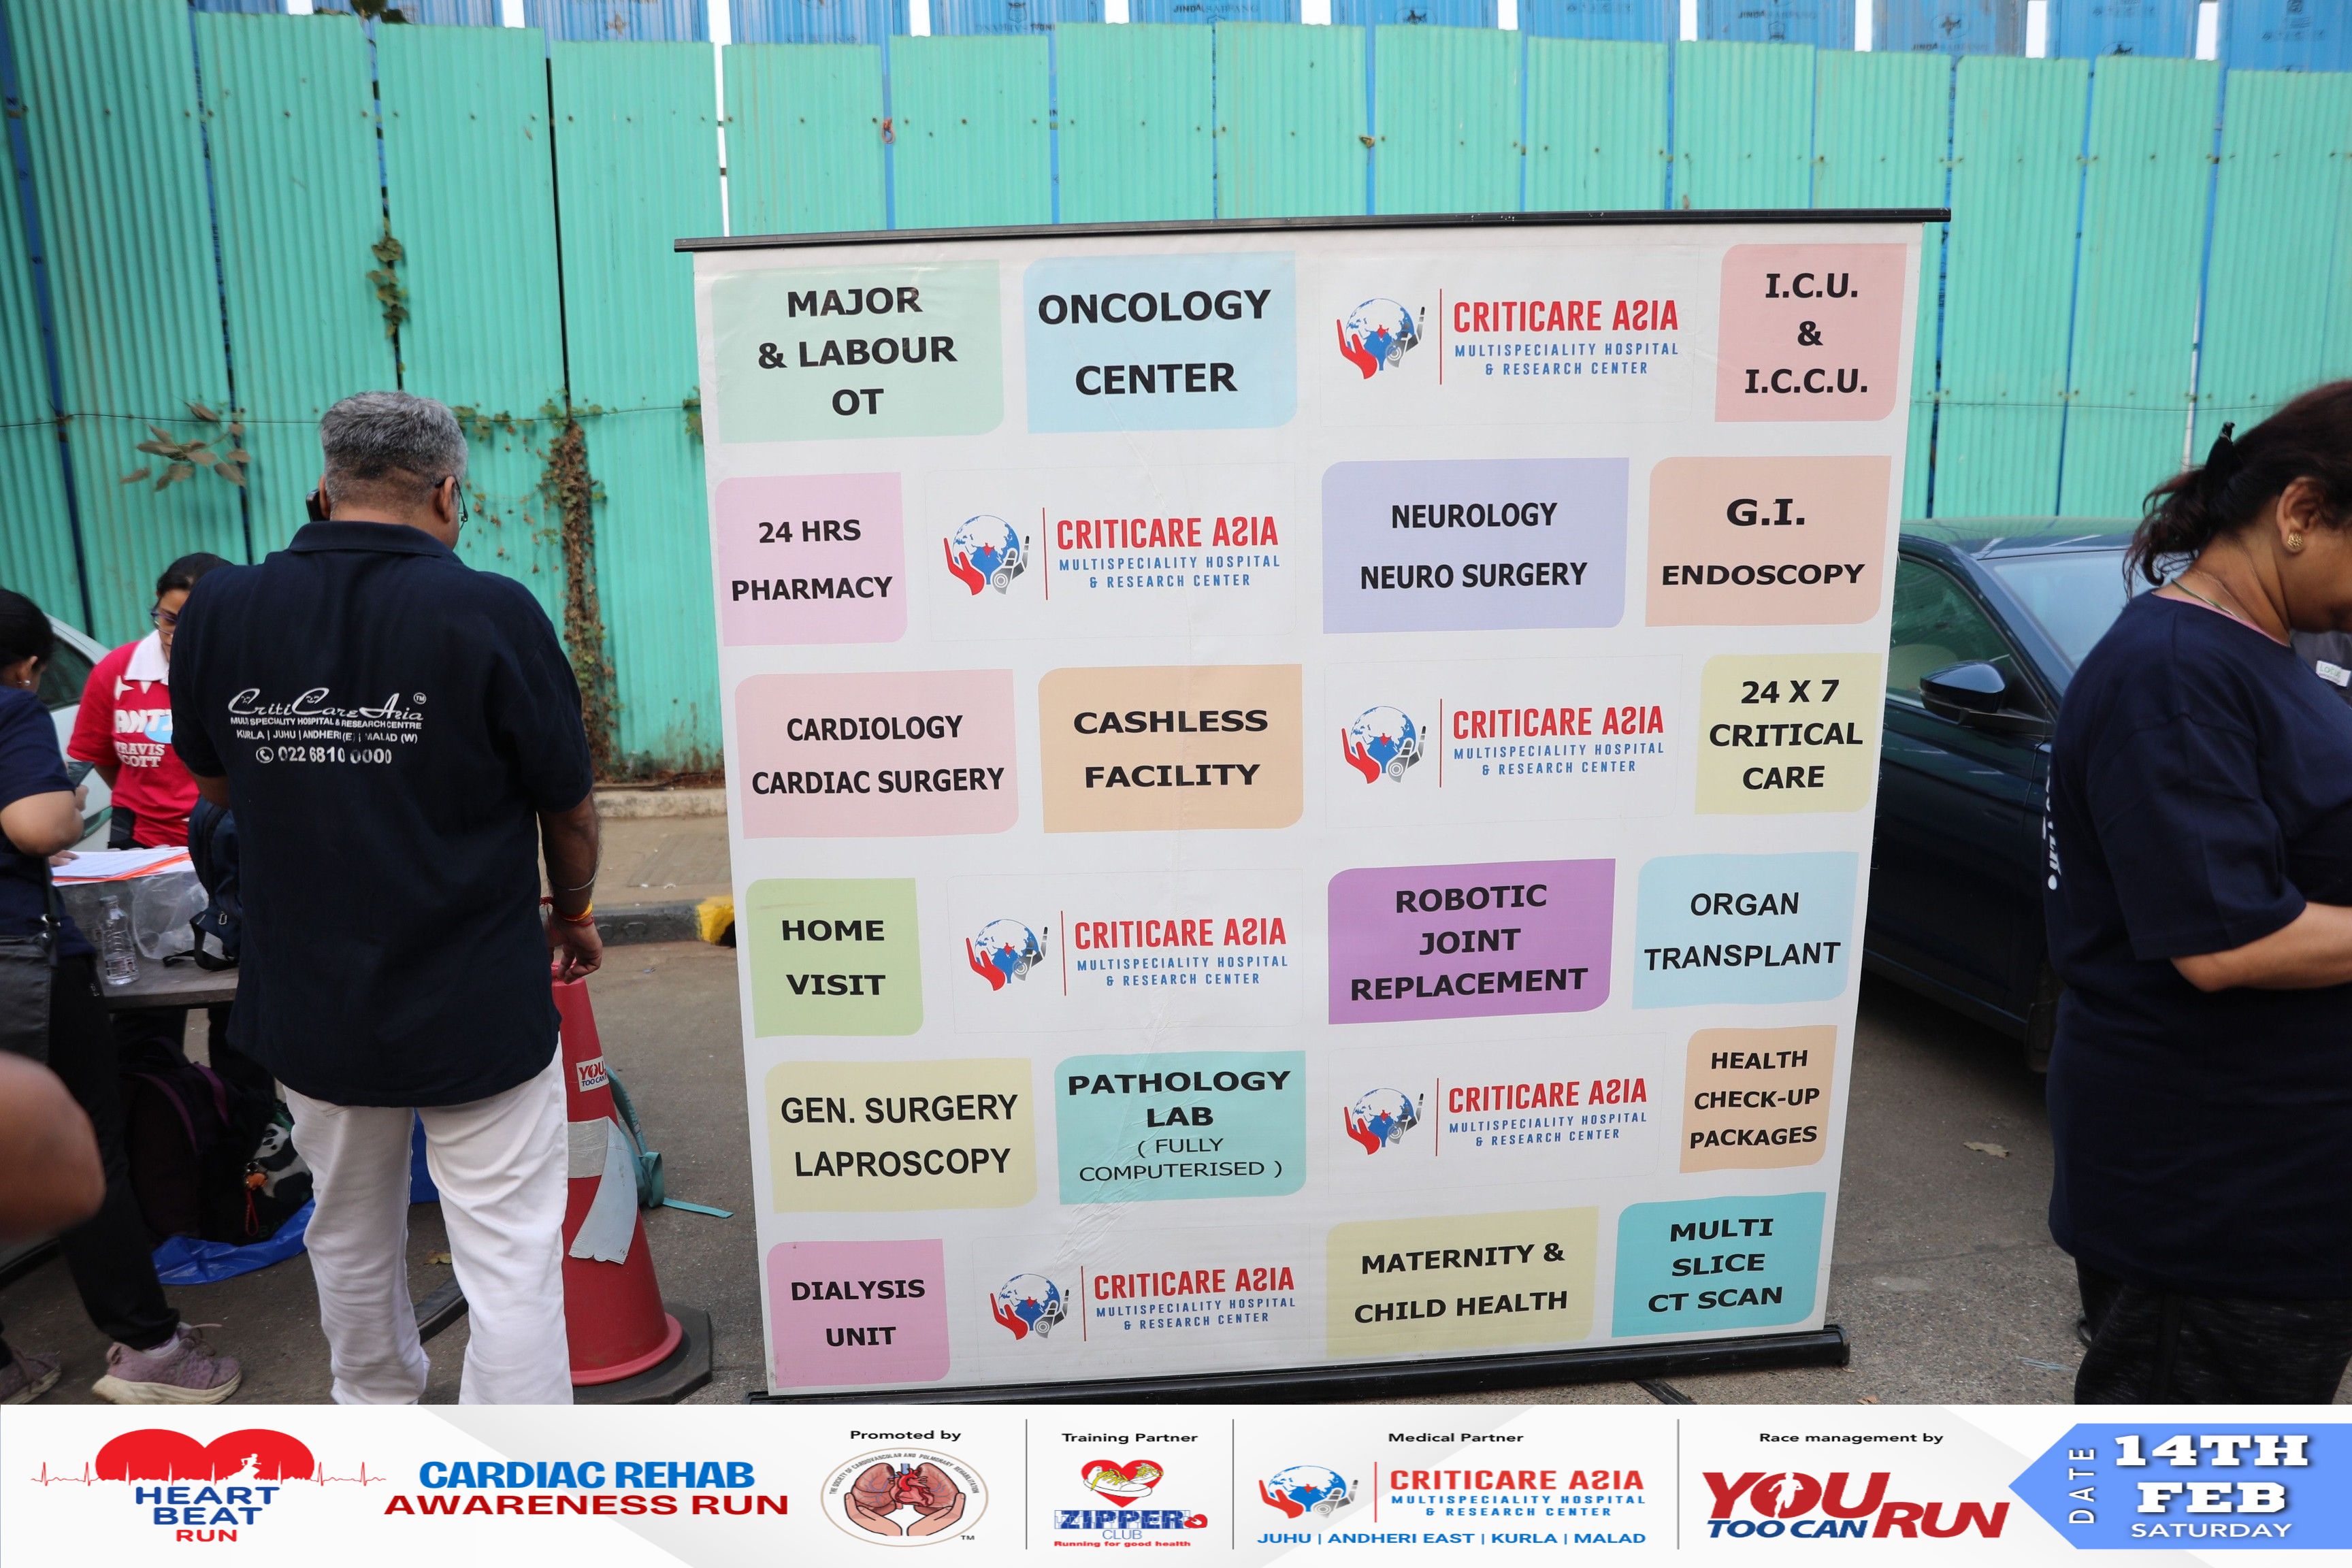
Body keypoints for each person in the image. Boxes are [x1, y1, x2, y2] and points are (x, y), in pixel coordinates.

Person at [169, 391, 602, 1405]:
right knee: (509, 1251)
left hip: (310, 993)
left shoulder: (222, 608)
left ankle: (373, 1420)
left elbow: (217, 785)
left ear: (322, 490)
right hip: (475, 992)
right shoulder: (491, 611)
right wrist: (574, 911)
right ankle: (515, 1471)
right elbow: (568, 805)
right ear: (449, 493)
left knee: (347, 1226)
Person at [2045, 381, 2352, 1403]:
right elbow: (2229, 943)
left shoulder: (2276, 649)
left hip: (2291, 1186)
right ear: (2301, 512)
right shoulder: (2175, 671)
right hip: (2220, 1203)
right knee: (2193, 1484)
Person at [0, 589, 242, 1405]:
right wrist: (61, 808)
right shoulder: (22, 704)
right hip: (18, 957)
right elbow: (40, 827)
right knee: (77, 1151)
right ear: (28, 667)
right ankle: (151, 1350)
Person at [66, 552, 270, 1123]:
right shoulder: (118, 672)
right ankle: (156, 1129)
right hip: (142, 857)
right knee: (142, 1011)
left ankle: (249, 1134)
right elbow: (94, 762)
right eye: (168, 616)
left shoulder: (258, 672)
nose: (176, 632)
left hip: (235, 857)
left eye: (192, 618)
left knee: (240, 1007)